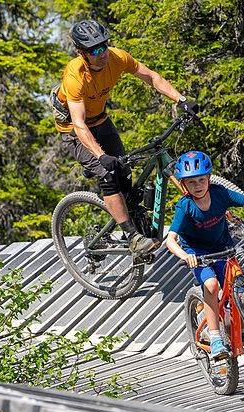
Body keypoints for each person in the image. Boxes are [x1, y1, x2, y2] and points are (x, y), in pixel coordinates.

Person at [51, 19, 198, 255]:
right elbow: (78, 124)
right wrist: (100, 156)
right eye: (94, 50)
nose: (102, 53)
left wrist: (181, 100)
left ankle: (130, 213)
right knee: (108, 173)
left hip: (99, 120)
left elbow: (151, 77)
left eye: (104, 45)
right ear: (81, 53)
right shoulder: (75, 75)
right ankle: (132, 237)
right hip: (74, 129)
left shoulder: (117, 58)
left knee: (125, 171)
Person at [165, 151, 244, 359]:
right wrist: (184, 256)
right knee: (212, 285)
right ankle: (215, 338)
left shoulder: (220, 194)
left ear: (208, 178)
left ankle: (242, 332)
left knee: (239, 291)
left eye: (201, 180)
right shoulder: (185, 206)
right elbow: (171, 239)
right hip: (197, 252)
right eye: (191, 182)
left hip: (223, 247)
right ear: (184, 185)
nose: (197, 185)